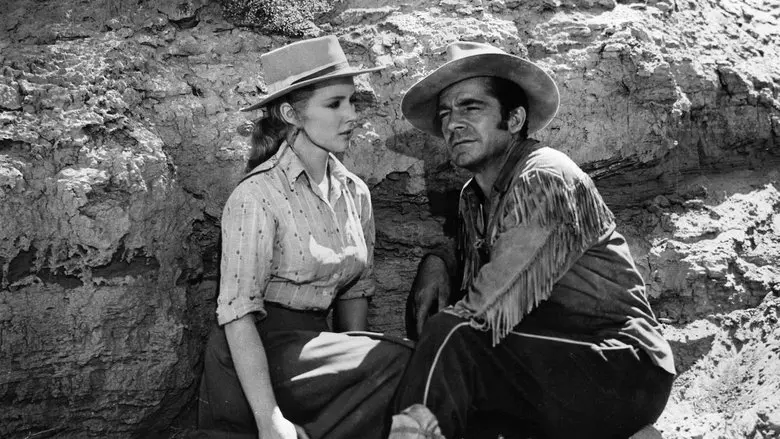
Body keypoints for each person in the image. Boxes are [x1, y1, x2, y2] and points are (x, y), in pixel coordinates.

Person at [389, 42, 677, 439]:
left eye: (471, 107)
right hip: (553, 362)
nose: (452, 124)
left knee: (451, 335)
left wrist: (439, 340)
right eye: (445, 113)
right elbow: (480, 268)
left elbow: (489, 307)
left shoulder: (544, 177)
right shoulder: (473, 197)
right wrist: (438, 261)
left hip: (621, 367)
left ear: (514, 118)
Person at [197, 35, 412, 439]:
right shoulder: (257, 195)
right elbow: (238, 317)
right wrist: (270, 421)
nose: (351, 115)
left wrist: (357, 376)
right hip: (258, 359)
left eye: (352, 101)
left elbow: (354, 294)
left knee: (404, 362)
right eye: (334, 104)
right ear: (289, 113)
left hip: (315, 355)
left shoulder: (354, 192)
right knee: (399, 360)